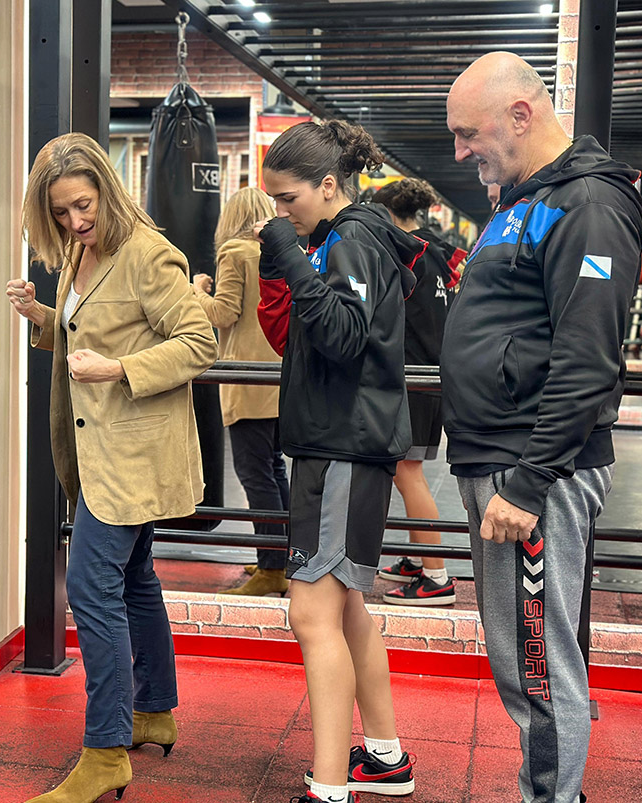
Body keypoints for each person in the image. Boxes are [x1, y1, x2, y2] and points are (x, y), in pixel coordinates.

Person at [443, 52, 642, 803]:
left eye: (469, 133)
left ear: (521, 115)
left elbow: (588, 359)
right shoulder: (523, 200)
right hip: (497, 457)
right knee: (520, 662)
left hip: (533, 469)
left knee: (537, 665)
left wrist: (529, 483)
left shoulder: (588, 204)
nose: (459, 152)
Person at [6, 132, 217, 803]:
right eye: (61, 211)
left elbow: (200, 342)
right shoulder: (80, 252)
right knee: (134, 580)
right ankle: (152, 708)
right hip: (98, 450)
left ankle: (104, 752)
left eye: (83, 205)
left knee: (91, 586)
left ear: (107, 189)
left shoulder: (147, 254)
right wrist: (39, 315)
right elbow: (86, 333)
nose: (75, 220)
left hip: (132, 456)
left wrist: (120, 369)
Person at [255, 120, 425, 803]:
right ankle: (384, 756)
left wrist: (291, 257)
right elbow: (301, 338)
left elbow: (344, 335)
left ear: (328, 185)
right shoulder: (343, 239)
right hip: (341, 443)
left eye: (288, 198)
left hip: (342, 447)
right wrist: (285, 262)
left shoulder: (352, 238)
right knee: (347, 608)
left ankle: (329, 787)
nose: (280, 212)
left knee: (311, 614)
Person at [191, 187, 290, 597]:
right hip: (279, 375)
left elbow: (224, 313)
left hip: (247, 379)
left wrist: (196, 291)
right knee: (275, 471)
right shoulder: (278, 251)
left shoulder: (234, 252)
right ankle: (281, 558)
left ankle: (271, 569)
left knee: (255, 475)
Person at [372, 178, 465, 606]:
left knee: (407, 474)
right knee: (409, 472)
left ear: (387, 215)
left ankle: (436, 575)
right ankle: (416, 559)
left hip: (412, 376)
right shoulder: (438, 252)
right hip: (432, 374)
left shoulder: (405, 255)